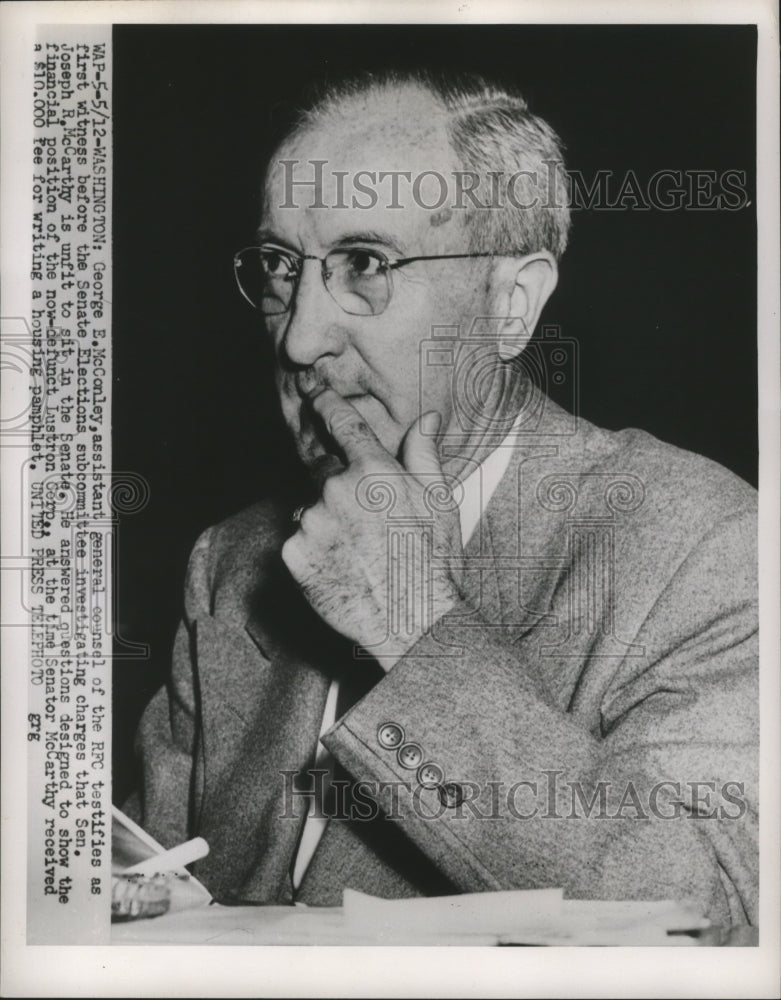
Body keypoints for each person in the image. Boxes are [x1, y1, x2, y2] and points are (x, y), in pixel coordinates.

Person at [128, 71, 758, 927]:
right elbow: (147, 890)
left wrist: (416, 627)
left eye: (364, 264)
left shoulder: (704, 543)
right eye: (281, 267)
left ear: (510, 306)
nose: (301, 336)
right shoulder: (233, 562)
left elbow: (709, 913)